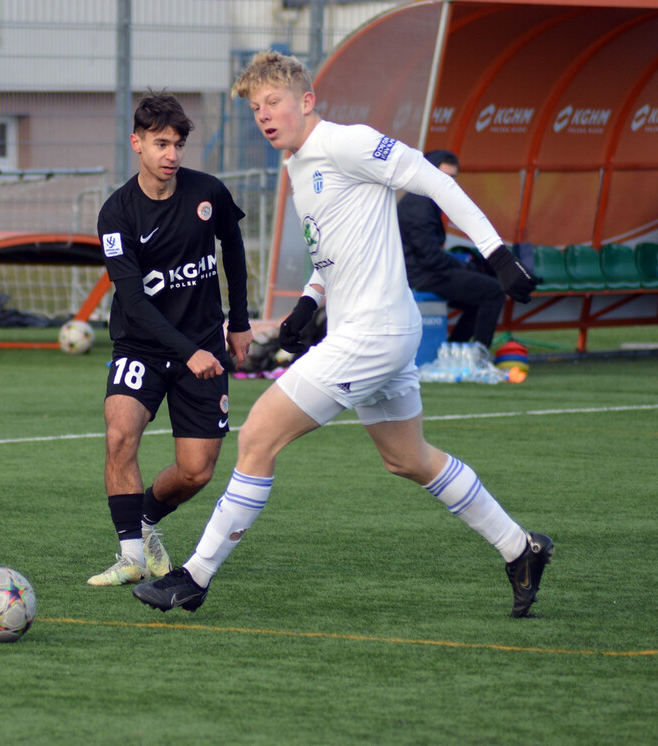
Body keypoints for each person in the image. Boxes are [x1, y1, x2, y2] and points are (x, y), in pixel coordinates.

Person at [132, 52, 553, 618]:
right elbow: (331, 252)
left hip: (373, 333)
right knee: (408, 458)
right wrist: (309, 302)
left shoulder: (347, 142)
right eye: (256, 108)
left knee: (257, 437)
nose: (264, 115)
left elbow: (431, 179)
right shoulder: (298, 166)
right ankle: (520, 549)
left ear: (306, 101)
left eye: (274, 102)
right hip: (378, 331)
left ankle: (194, 577)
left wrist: (495, 253)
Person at [87, 91, 254, 587]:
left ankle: (146, 523)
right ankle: (131, 556)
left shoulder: (208, 193)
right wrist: (190, 352)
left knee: (197, 471)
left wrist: (239, 322)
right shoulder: (117, 214)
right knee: (119, 434)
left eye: (179, 145)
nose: (172, 155)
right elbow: (134, 301)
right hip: (142, 345)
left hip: (203, 343)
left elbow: (234, 250)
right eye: (161, 144)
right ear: (136, 143)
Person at [398, 149, 507, 350]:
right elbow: (430, 258)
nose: (449, 184)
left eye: (453, 178)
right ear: (428, 173)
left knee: (480, 297)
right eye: (444, 177)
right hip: (421, 276)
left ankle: (454, 352)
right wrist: (463, 264)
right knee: (494, 291)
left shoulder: (423, 200)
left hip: (425, 271)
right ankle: (479, 358)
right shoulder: (418, 207)